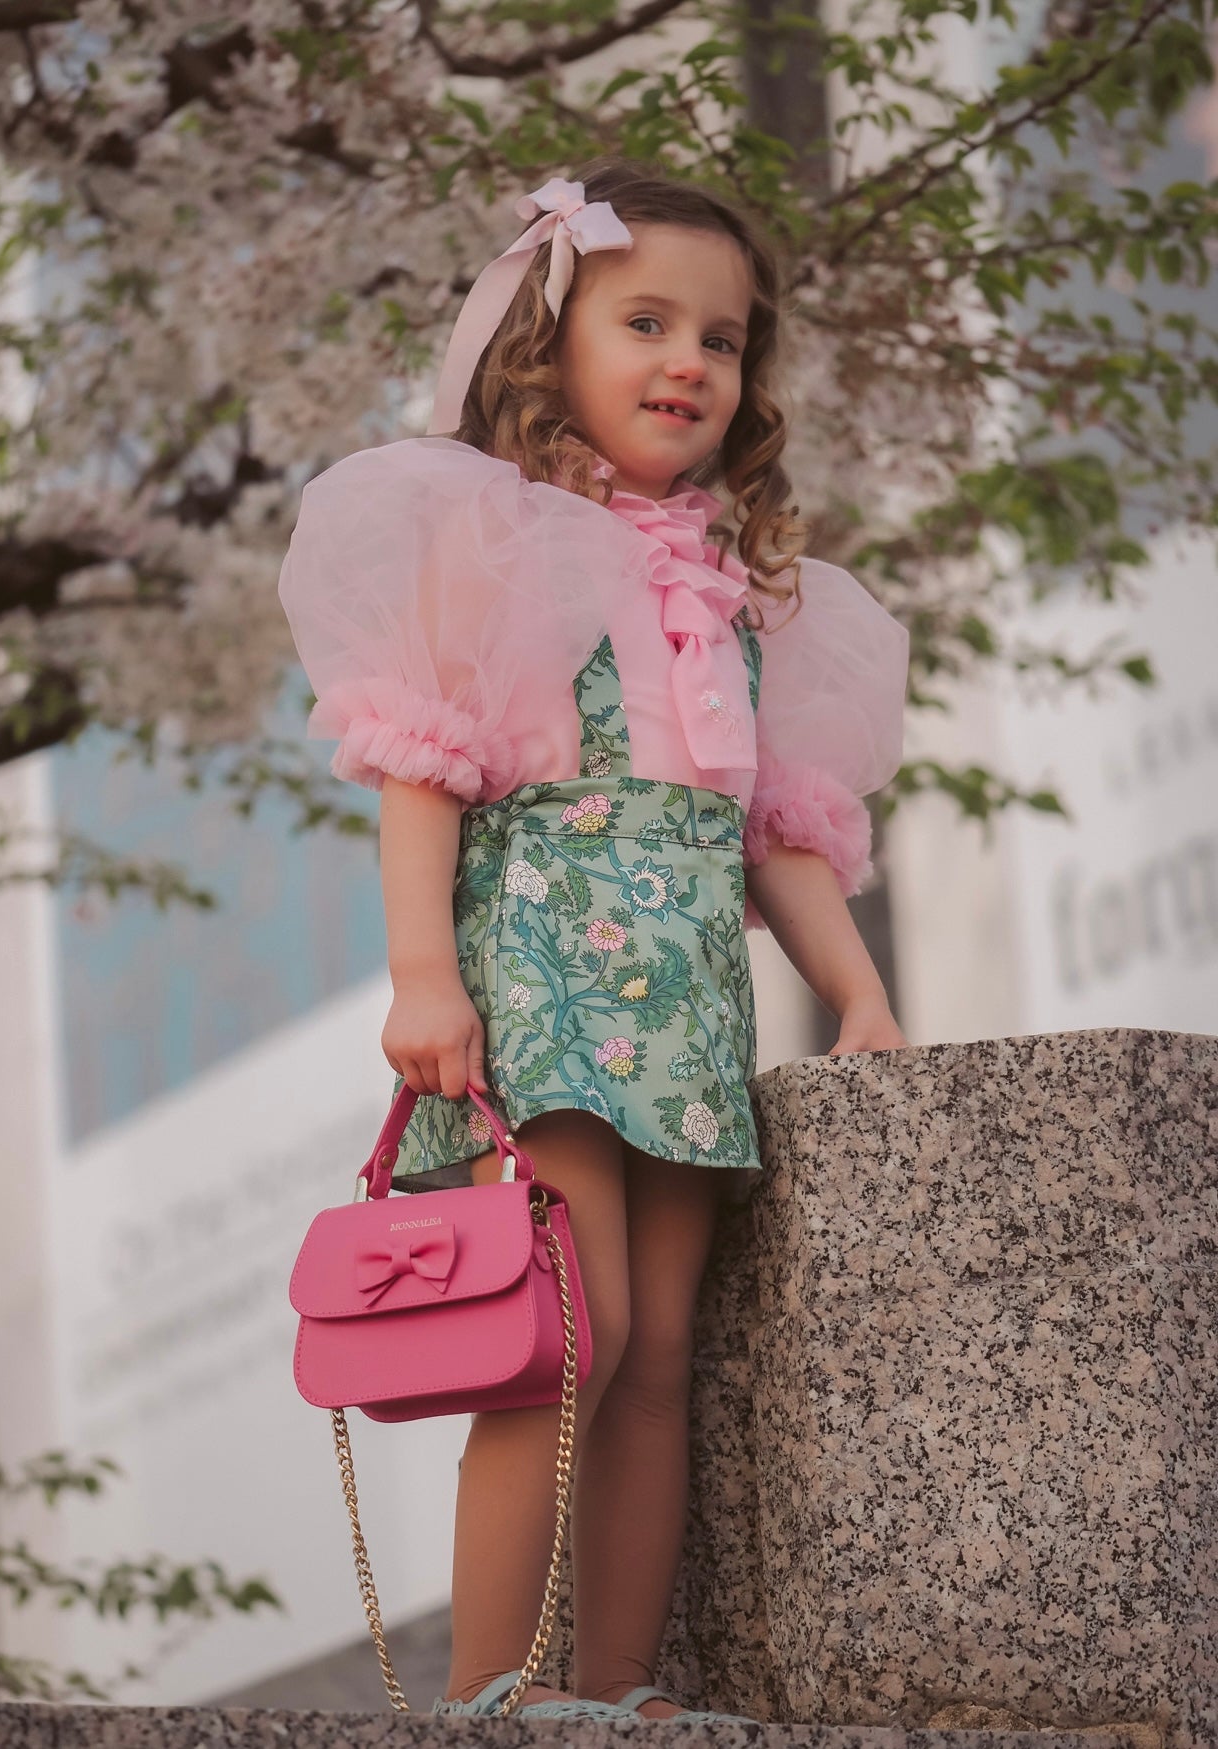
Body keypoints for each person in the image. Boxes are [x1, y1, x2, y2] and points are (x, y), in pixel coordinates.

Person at [277, 156, 912, 1723]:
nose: (691, 360)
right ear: (549, 339)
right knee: (574, 1325)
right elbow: (424, 769)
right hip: (549, 965)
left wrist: (860, 991)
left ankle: (617, 1692)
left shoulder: (744, 585)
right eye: (645, 321)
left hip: (687, 990)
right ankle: (494, 1693)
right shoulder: (493, 537)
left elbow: (775, 829)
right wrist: (424, 975)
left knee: (661, 1350)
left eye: (724, 335)